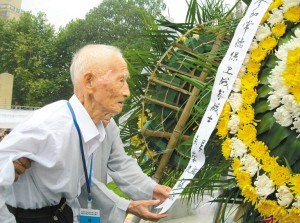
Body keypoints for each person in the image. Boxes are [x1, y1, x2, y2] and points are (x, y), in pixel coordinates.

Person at [0, 44, 170, 223]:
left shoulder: (96, 126)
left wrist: (150, 189)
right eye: (121, 80)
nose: (127, 92)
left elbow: (118, 164)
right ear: (89, 82)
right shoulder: (51, 127)